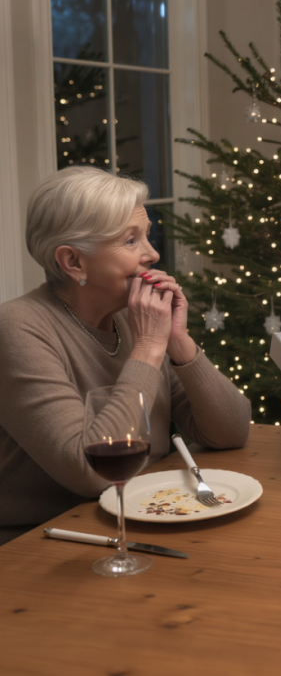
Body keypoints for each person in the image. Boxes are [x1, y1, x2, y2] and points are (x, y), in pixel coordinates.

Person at [0, 167, 251, 544]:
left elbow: (230, 431)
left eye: (146, 235)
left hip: (149, 515)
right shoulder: (17, 327)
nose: (152, 253)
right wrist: (149, 348)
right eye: (130, 241)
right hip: (45, 539)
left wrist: (178, 341)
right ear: (73, 262)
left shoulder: (133, 318)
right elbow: (91, 472)